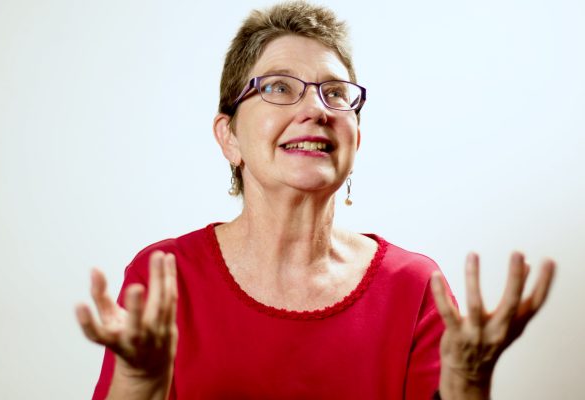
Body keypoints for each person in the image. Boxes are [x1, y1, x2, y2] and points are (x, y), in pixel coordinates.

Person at [75, 2, 556, 399]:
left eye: (335, 93)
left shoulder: (414, 288)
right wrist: (139, 381)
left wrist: (469, 383)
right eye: (279, 87)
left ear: (356, 138)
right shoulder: (164, 276)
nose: (315, 110)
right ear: (229, 137)